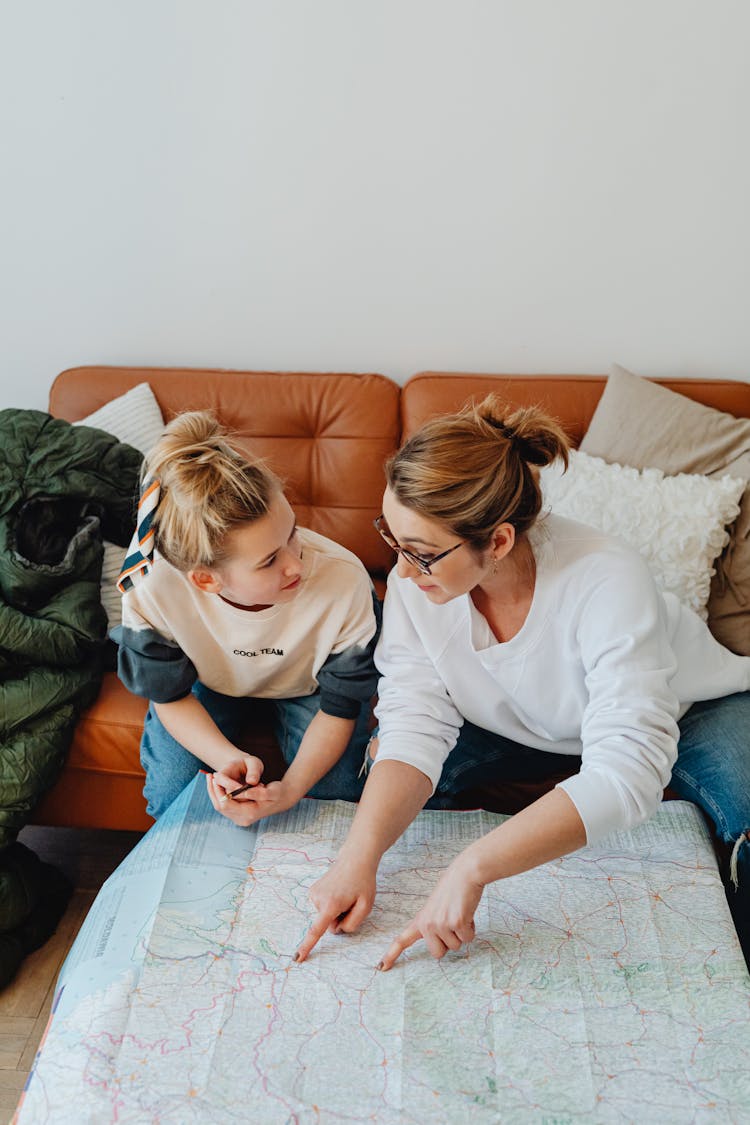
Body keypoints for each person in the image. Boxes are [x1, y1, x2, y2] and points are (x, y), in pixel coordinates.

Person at [294, 394, 750, 970]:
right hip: (508, 723)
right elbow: (414, 721)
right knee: (380, 798)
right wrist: (354, 860)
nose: (402, 574)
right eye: (394, 540)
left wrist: (473, 866)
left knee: (747, 818)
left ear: (501, 541)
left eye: (424, 554)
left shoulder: (607, 577)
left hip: (690, 709)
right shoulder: (418, 583)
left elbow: (629, 769)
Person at [112, 411, 380, 822]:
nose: (296, 565)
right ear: (205, 581)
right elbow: (170, 696)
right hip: (205, 684)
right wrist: (226, 760)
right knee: (174, 796)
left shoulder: (343, 581)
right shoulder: (151, 588)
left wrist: (289, 791)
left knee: (336, 794)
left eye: (292, 533)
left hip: (310, 689)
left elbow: (340, 708)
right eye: (270, 560)